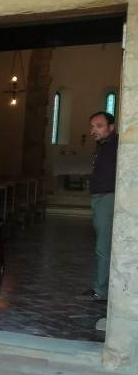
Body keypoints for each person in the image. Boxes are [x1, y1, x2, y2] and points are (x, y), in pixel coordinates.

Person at [78, 111, 118, 303]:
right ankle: (100, 287)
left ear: (111, 127)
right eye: (92, 126)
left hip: (107, 197)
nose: (93, 130)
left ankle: (101, 291)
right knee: (102, 245)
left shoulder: (116, 145)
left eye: (99, 126)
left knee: (103, 247)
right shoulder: (103, 145)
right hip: (100, 197)